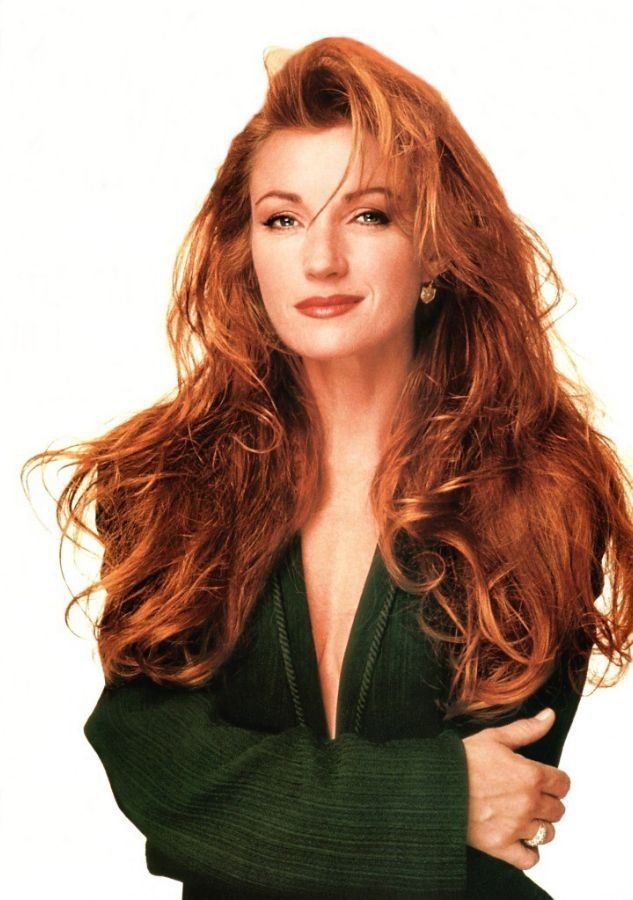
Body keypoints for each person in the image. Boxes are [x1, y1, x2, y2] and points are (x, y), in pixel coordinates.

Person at [21, 36, 633, 899]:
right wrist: (433, 799)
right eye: (283, 218)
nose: (320, 259)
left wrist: (250, 799)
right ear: (246, 247)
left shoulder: (540, 486)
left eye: (367, 215)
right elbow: (154, 766)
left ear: (435, 247)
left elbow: (504, 804)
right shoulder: (166, 480)